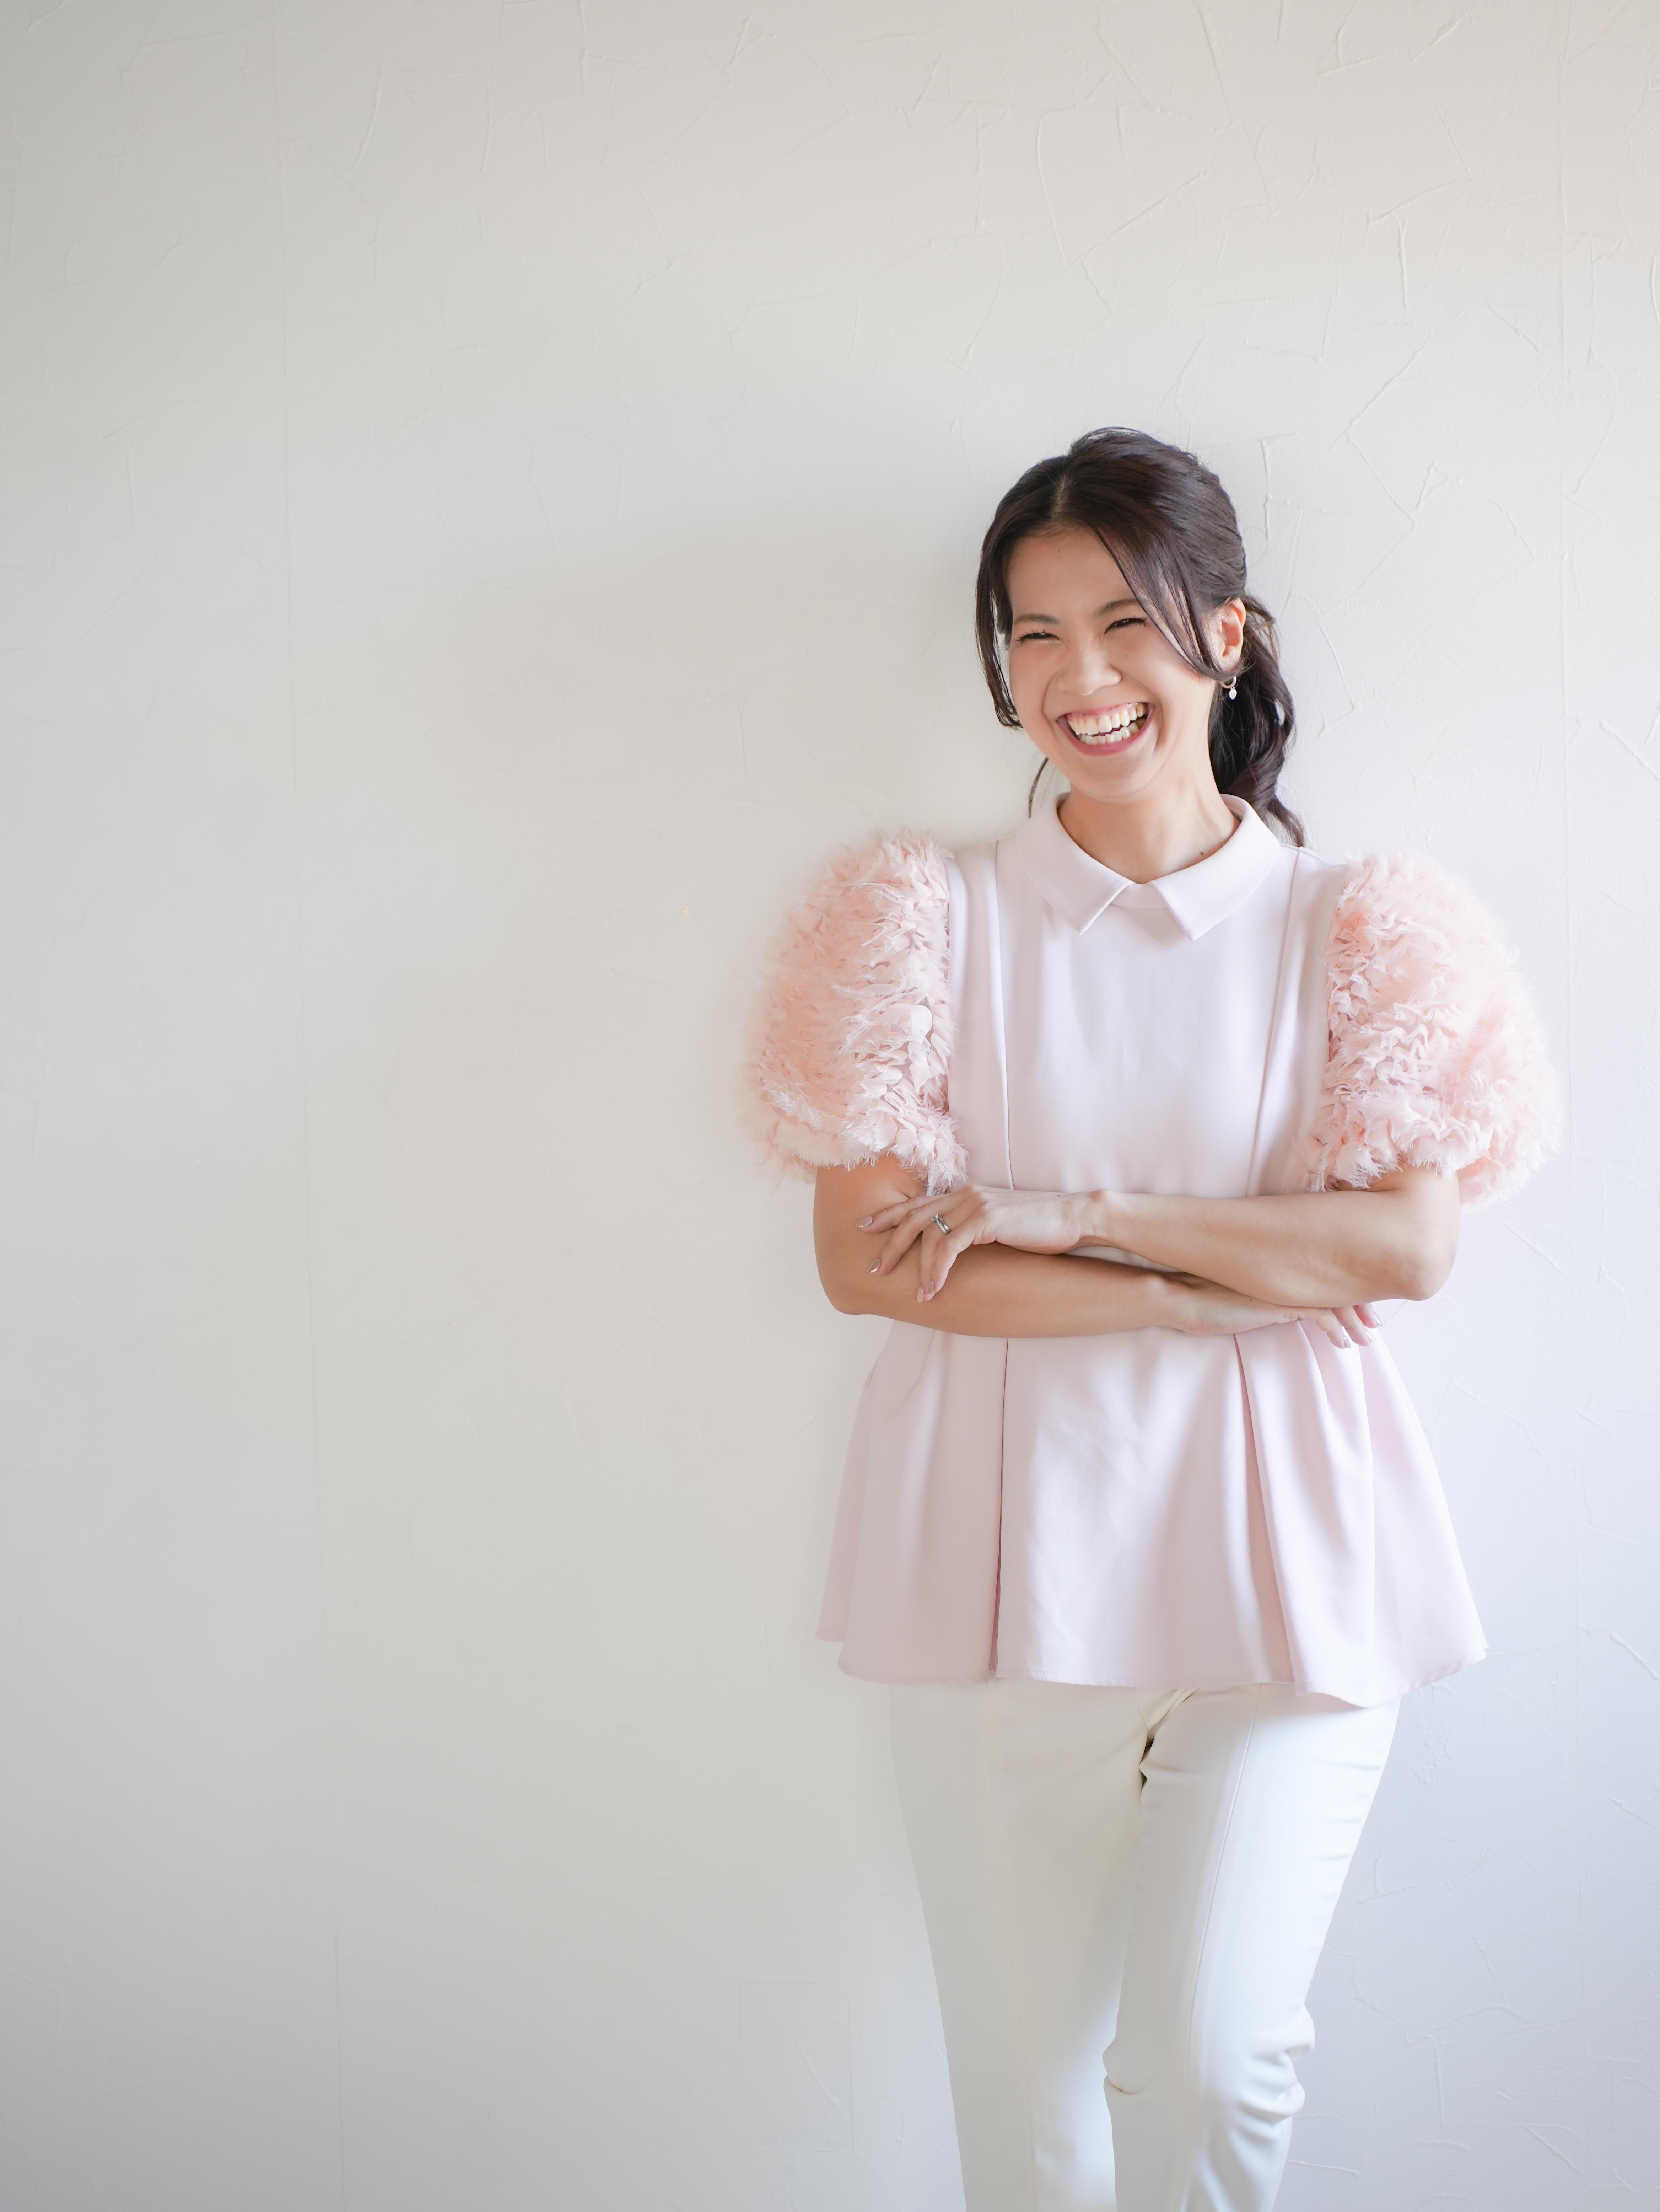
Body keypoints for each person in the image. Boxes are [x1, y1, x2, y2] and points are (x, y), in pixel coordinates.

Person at [741, 427, 1559, 2212]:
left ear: (1227, 635)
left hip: (1294, 1570)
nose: (1080, 676)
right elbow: (869, 1261)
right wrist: (1209, 1296)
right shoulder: (919, 918)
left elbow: (1402, 1247)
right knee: (1028, 2114)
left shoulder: (1359, 927)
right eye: (1034, 633)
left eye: (1124, 621)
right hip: (1001, 1565)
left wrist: (1082, 1216)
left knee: (1210, 2063)